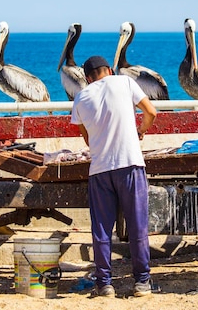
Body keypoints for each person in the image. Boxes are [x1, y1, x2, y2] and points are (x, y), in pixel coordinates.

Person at [70, 55, 157, 298]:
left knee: (102, 231)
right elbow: (151, 112)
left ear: (87, 79)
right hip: (130, 163)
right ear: (109, 69)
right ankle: (141, 282)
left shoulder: (81, 97)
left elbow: (86, 137)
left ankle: (105, 284)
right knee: (138, 227)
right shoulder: (125, 82)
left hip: (100, 170)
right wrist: (140, 131)